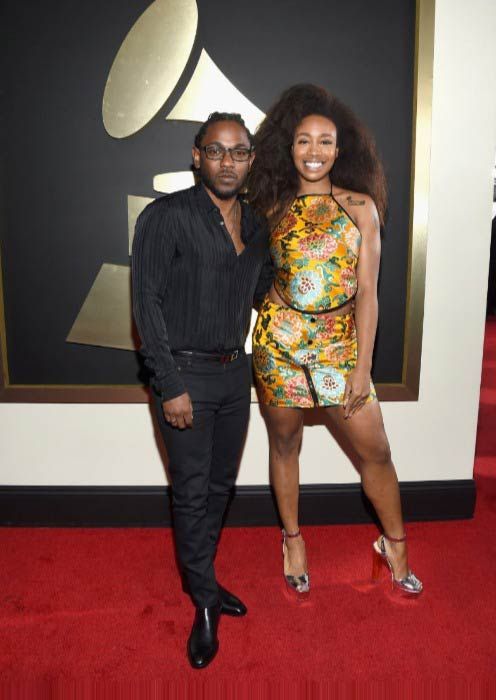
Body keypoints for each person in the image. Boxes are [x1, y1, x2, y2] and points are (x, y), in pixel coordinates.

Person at [249, 84, 422, 599]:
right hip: (279, 345)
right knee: (285, 444)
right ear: (291, 147)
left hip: (340, 347)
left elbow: (368, 292)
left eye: (325, 141)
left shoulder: (360, 208)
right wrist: (274, 306)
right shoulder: (273, 205)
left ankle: (395, 546)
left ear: (339, 149)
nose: (315, 151)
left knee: (377, 453)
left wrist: (362, 365)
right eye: (304, 141)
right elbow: (253, 273)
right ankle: (293, 540)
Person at [132, 112, 273, 668]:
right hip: (184, 378)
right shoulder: (164, 217)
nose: (228, 161)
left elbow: (261, 290)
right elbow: (146, 306)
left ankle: (203, 577)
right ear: (197, 155)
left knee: (220, 487)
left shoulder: (258, 224)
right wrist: (169, 385)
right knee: (191, 492)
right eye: (216, 151)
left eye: (239, 152)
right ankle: (204, 601)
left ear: (251, 160)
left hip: (235, 374)